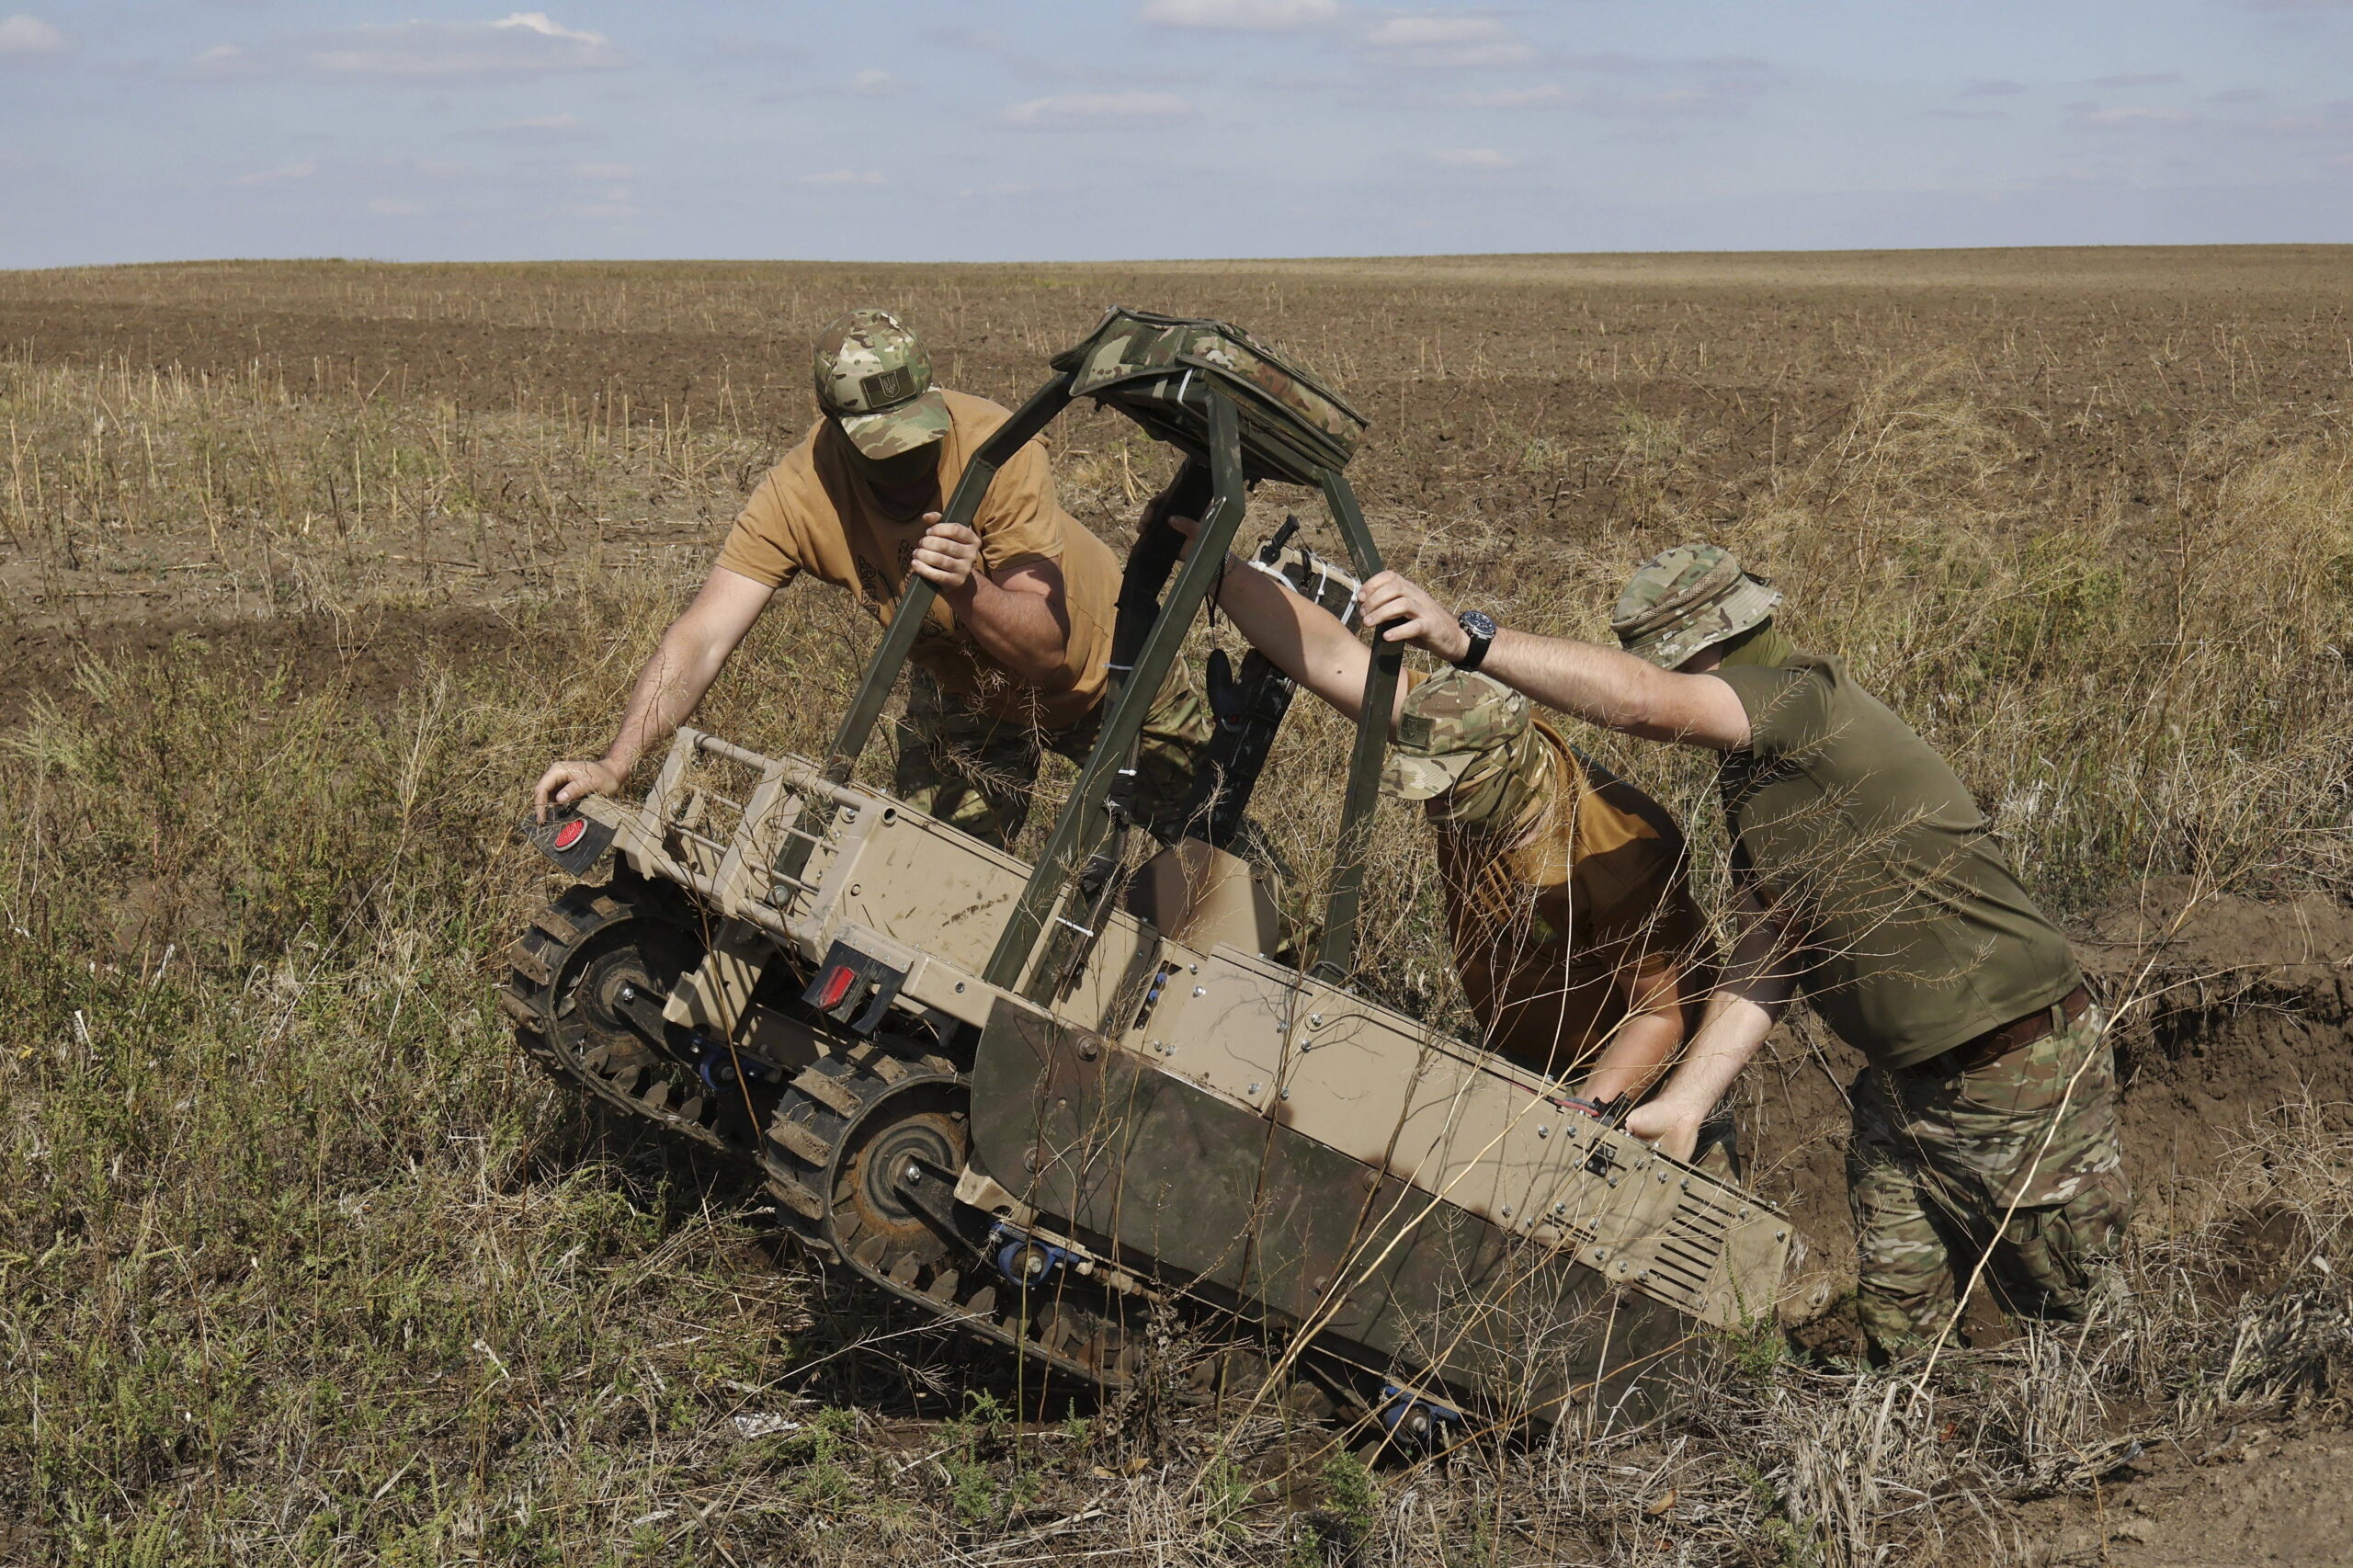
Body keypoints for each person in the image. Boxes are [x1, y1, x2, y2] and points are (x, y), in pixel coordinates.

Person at [1356, 544, 2128, 1360]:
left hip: (2022, 1069)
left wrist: (1469, 640)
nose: (1683, 680)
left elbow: (1643, 704)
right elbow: (1769, 949)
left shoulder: (1803, 698)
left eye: (1685, 662)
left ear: (1714, 648)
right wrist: (1686, 1103)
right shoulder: (1757, 778)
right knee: (1907, 1343)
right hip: (1904, 1094)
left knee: (2091, 1324)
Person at [534, 309, 1209, 849]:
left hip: (1112, 667)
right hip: (968, 693)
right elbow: (704, 635)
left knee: (1210, 844)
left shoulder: (997, 447)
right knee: (926, 883)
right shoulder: (802, 490)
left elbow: (1045, 645)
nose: (909, 464)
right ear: (834, 427)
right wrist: (616, 764)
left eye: (917, 435)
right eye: (883, 449)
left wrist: (967, 587)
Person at [1179, 517, 1706, 1104]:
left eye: (1453, 792)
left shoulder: (1619, 859)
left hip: (1614, 1086)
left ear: (1507, 771)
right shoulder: (1455, 724)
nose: (1437, 804)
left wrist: (1583, 1112)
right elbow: (1330, 658)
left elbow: (1662, 1016)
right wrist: (1220, 573)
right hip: (1509, 1054)